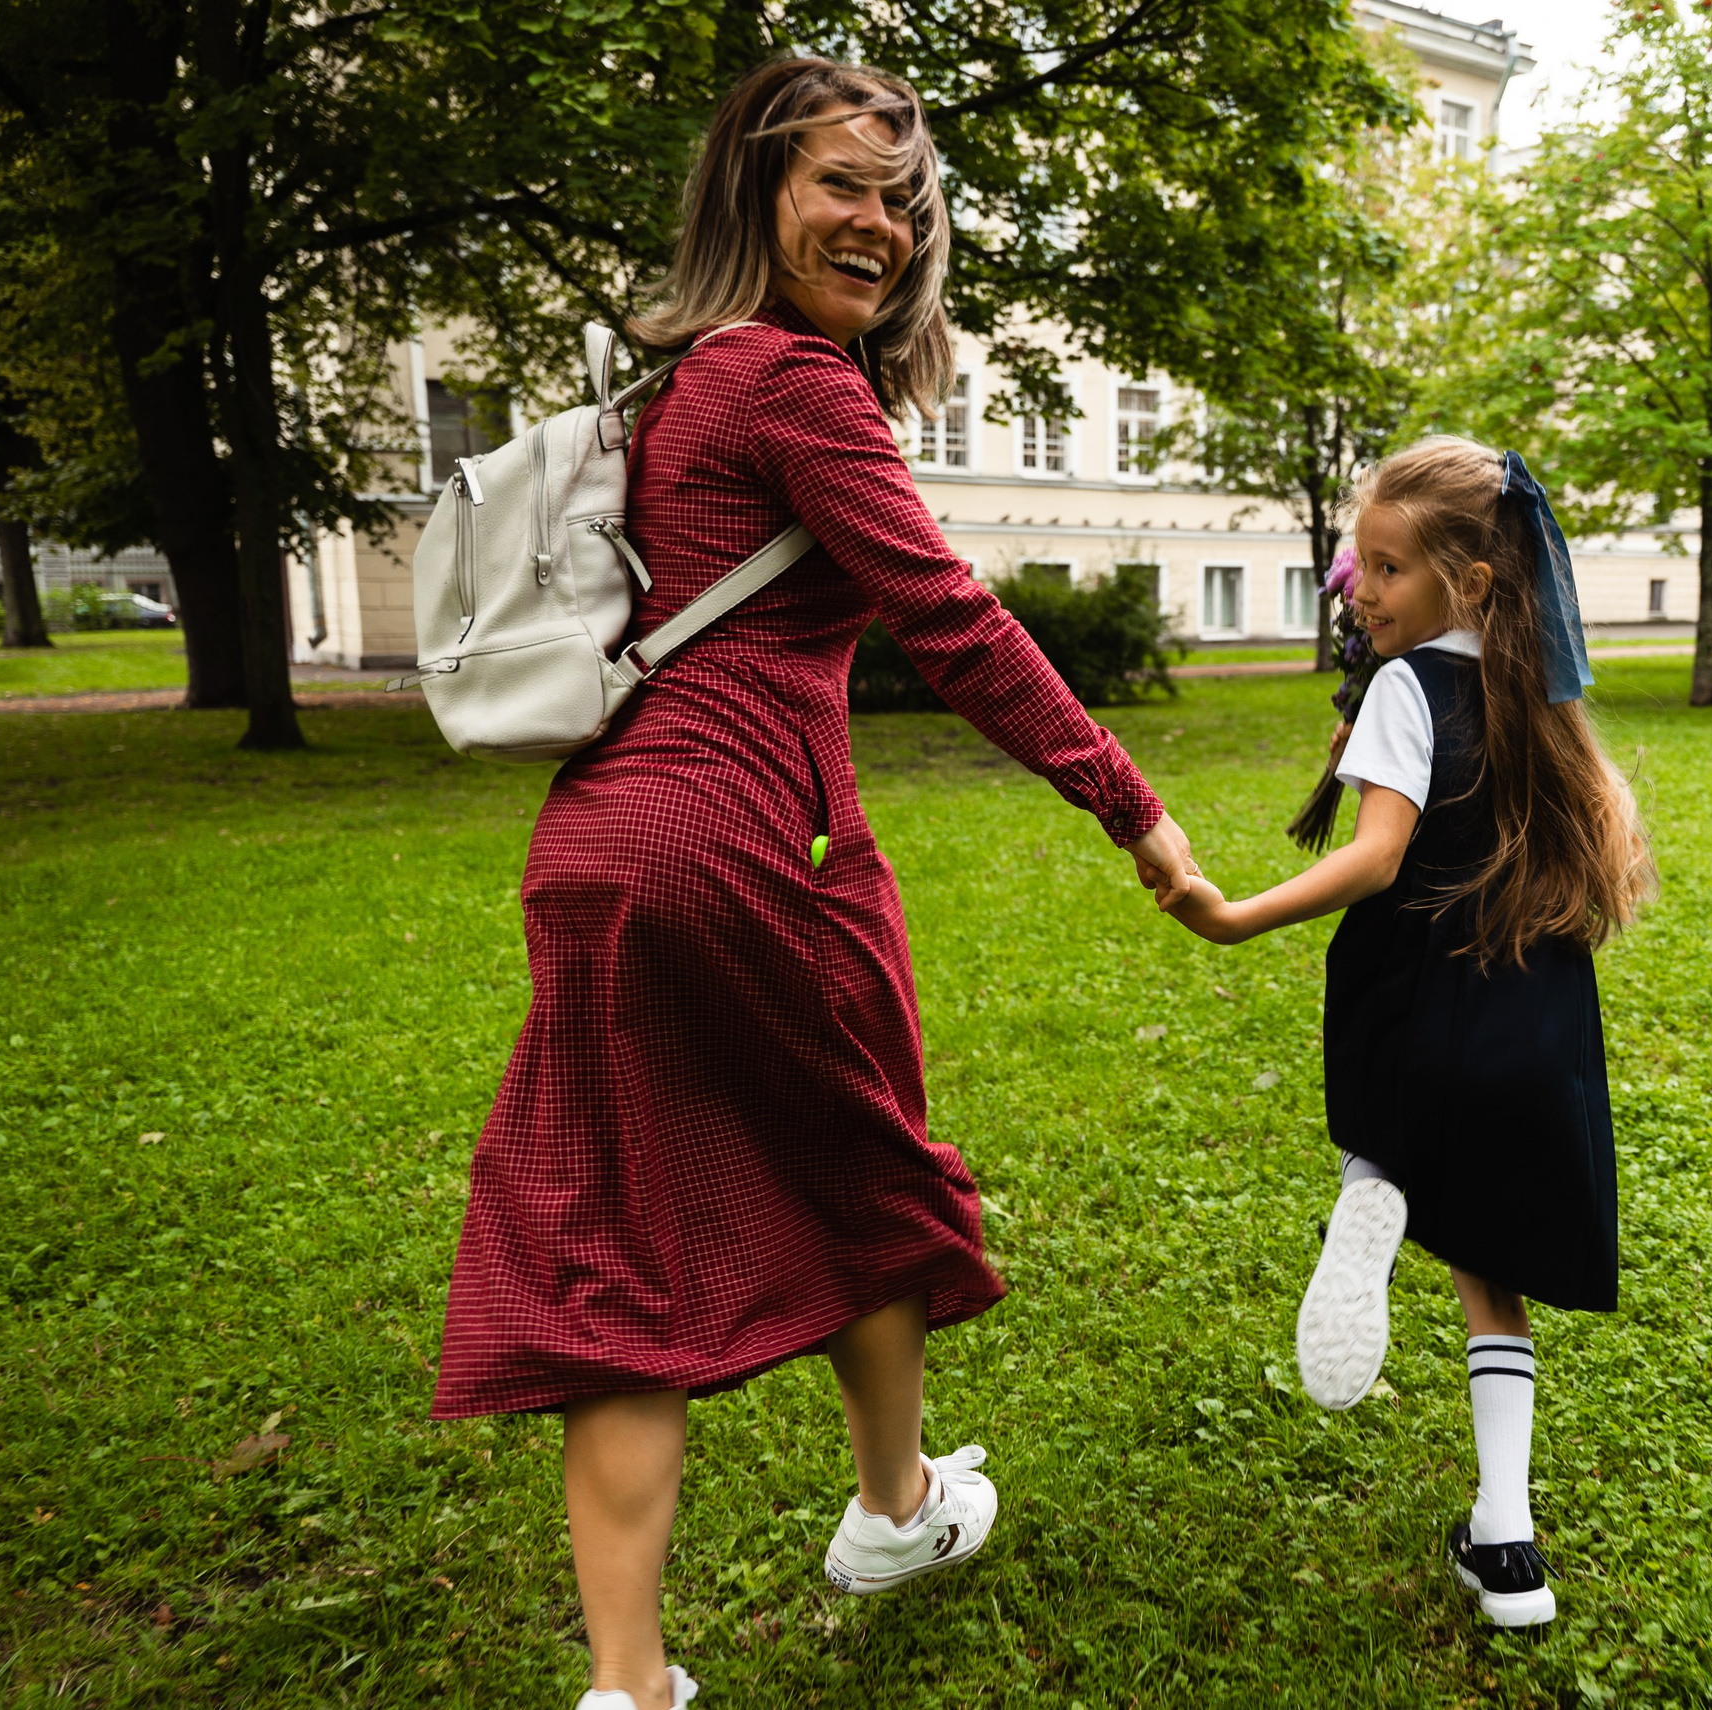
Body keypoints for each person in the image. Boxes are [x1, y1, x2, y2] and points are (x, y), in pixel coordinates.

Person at [425, 58, 1197, 1710]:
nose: (881, 224)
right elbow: (955, 624)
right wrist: (1132, 809)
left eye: (904, 202)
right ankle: (894, 1508)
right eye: (843, 184)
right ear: (756, 190)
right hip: (751, 848)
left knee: (619, 1248)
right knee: (871, 1172)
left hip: (598, 856)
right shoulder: (793, 385)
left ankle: (630, 1685)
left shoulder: (677, 387)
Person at [1164, 435, 1654, 1628]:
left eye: (1386, 570)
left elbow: (1376, 855)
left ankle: (1370, 1192)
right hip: (1533, 1015)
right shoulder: (1537, 688)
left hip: (1416, 994)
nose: (1361, 591)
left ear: (1467, 581)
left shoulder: (1409, 688)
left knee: (1391, 1121)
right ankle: (1507, 1545)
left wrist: (1233, 918)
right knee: (1494, 1283)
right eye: (1358, 566)